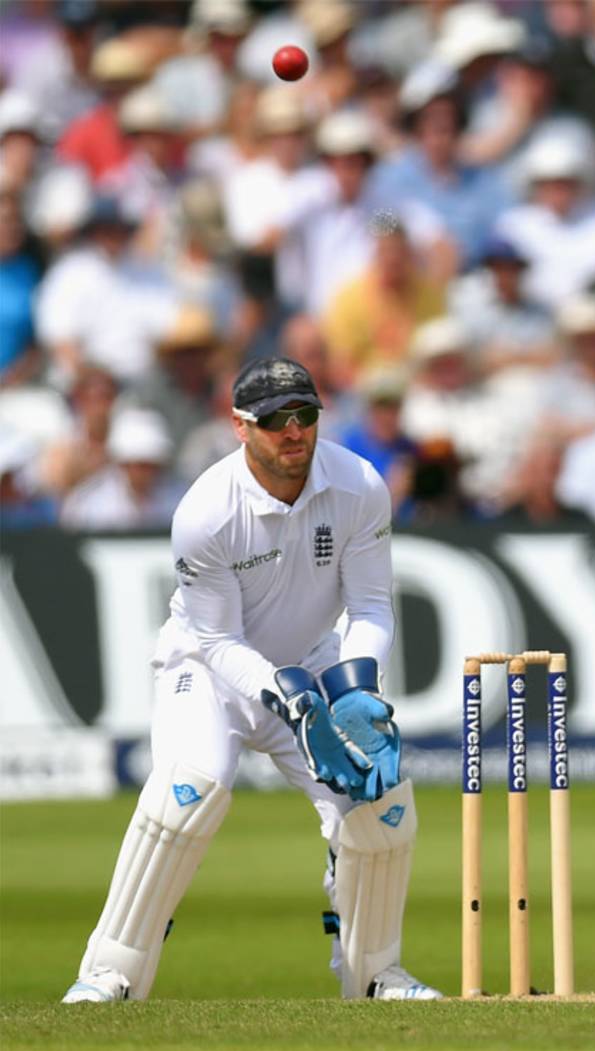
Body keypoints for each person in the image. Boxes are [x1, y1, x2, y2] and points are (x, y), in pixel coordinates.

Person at [62, 357, 443, 1004]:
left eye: (305, 415)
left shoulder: (359, 485)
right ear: (241, 426)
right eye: (274, 420)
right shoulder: (206, 511)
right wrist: (292, 698)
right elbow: (216, 640)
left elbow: (372, 607)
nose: (293, 432)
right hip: (208, 670)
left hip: (312, 658)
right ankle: (108, 974)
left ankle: (375, 976)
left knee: (382, 803)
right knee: (187, 794)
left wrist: (356, 689)